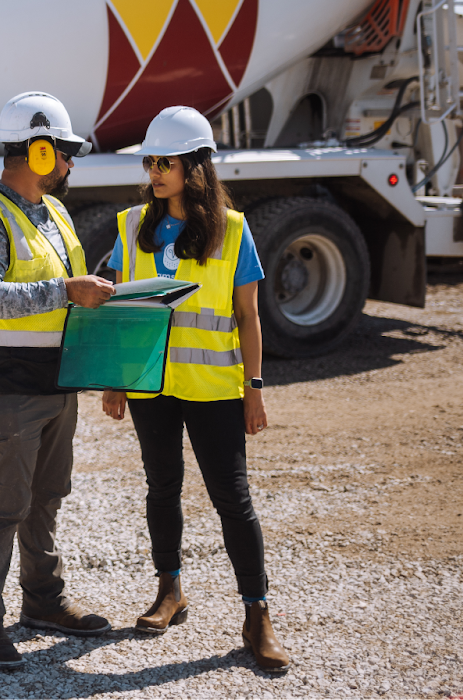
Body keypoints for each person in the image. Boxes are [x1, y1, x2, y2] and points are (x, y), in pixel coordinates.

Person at [100, 105, 291, 672]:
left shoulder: (232, 230)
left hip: (214, 388)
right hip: (150, 387)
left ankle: (257, 615)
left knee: (233, 499)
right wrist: (114, 379)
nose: (155, 171)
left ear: (196, 167)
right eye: (150, 161)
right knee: (162, 488)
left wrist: (254, 388)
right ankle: (170, 591)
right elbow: (115, 305)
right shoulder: (130, 225)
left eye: (167, 162)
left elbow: (249, 317)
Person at [0, 90, 116, 671]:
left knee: (46, 498)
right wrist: (70, 291)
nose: (71, 164)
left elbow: (68, 297)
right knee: (7, 505)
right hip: (12, 386)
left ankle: (44, 605)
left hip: (58, 382)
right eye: (66, 152)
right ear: (40, 150)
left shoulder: (54, 212)